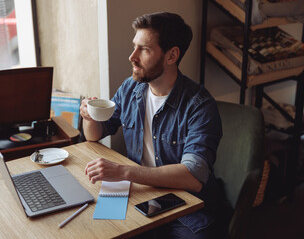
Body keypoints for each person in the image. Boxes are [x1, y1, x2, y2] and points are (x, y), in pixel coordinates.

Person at [80, 12, 225, 238]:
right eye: (134, 46)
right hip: (140, 193)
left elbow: (193, 178)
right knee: (95, 227)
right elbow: (95, 134)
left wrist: (124, 171)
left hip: (186, 205)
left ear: (171, 56)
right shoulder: (131, 88)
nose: (132, 57)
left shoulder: (200, 105)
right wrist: (89, 117)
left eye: (144, 49)